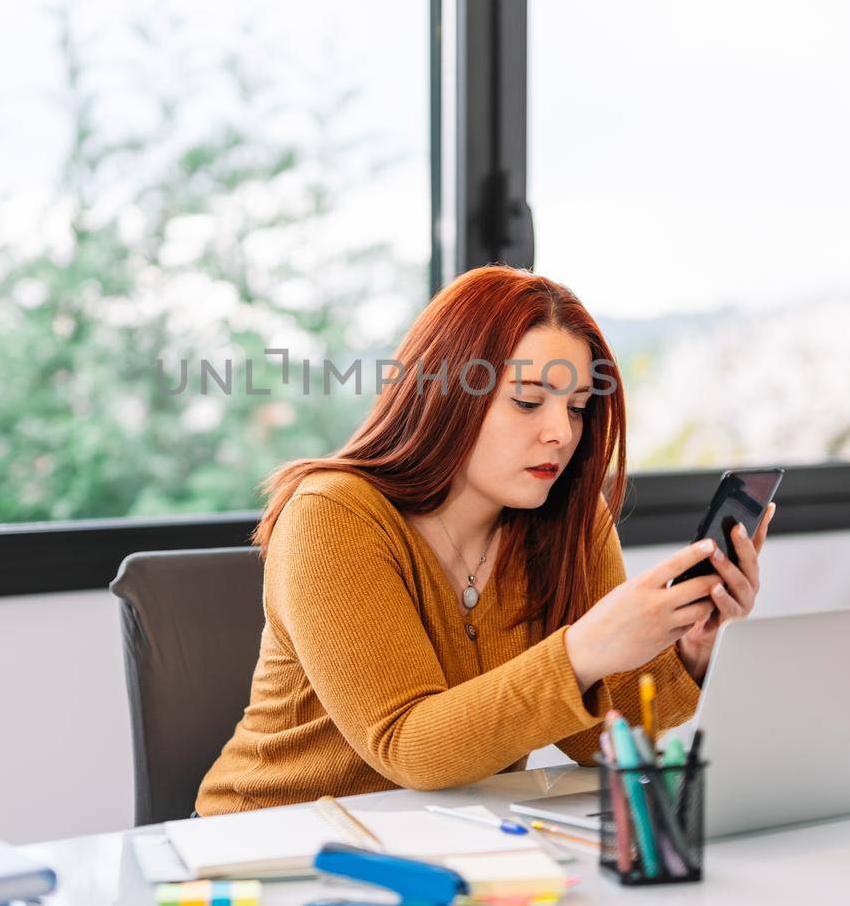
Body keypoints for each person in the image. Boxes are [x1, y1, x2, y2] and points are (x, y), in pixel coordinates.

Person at [195, 265, 774, 814]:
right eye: (527, 402)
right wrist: (585, 649)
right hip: (266, 846)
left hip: (443, 839)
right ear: (444, 395)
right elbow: (408, 746)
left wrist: (691, 652)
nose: (560, 433)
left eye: (576, 409)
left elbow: (594, 740)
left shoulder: (568, 518)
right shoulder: (334, 515)